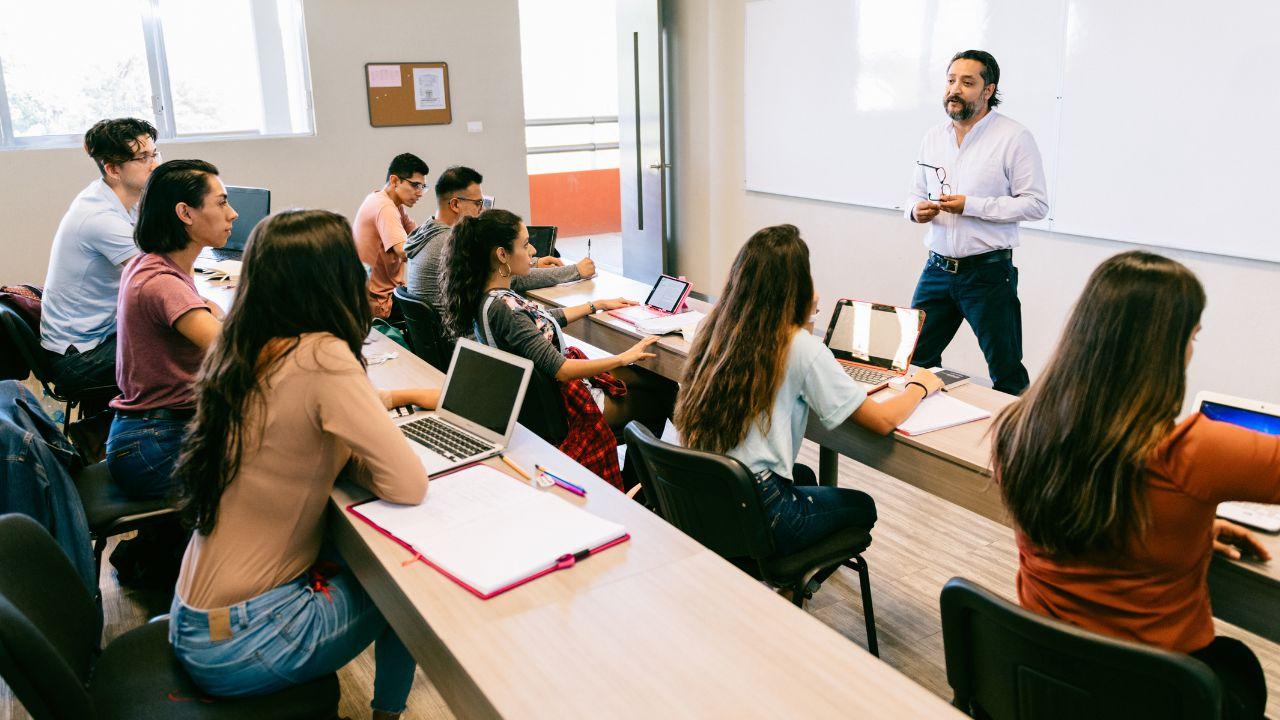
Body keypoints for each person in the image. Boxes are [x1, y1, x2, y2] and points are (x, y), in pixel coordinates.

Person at [170, 209, 439, 720]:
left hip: (196, 617)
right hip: (246, 639)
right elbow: (407, 484)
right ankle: (388, 716)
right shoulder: (323, 355)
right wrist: (357, 459)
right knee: (407, 590)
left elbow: (300, 425)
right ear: (335, 278)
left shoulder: (242, 346)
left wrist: (347, 449)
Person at [994, 251, 1280, 719]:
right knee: (1237, 666)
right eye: (1190, 337)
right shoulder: (1195, 452)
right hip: (1154, 699)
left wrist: (1186, 528)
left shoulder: (1018, 429)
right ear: (1162, 350)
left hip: (1045, 682)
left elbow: (1095, 517)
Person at [674, 224, 942, 563]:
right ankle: (789, 589)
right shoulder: (797, 346)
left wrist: (806, 316)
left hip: (705, 492)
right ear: (796, 286)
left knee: (805, 477)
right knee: (862, 506)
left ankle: (785, 579)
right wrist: (920, 385)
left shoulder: (715, 328)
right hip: (760, 506)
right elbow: (883, 421)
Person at [440, 209, 673, 489]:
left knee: (654, 381)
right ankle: (639, 487)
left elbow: (540, 325)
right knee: (664, 394)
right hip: (566, 409)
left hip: (542, 404)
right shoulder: (506, 310)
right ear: (502, 255)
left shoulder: (489, 296)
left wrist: (595, 305)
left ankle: (637, 483)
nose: (533, 250)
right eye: (525, 245)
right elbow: (562, 370)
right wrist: (624, 356)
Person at [905, 50, 1048, 395]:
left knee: (1007, 372)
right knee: (912, 361)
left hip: (988, 275)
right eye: (951, 80)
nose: (955, 89)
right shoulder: (933, 137)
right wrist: (915, 210)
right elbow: (913, 194)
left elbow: (1036, 204)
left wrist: (972, 206)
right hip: (937, 271)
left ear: (988, 90)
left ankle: (1014, 447)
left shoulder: (1014, 137)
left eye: (967, 83)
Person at [106, 159, 233, 500]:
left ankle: (154, 550)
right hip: (155, 445)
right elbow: (236, 353)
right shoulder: (163, 283)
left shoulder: (151, 264)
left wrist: (211, 311)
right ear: (185, 213)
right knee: (289, 466)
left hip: (144, 434)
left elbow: (208, 312)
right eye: (221, 203)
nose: (232, 214)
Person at [39, 118, 161, 398]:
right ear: (113, 169)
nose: (154, 164)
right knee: (185, 353)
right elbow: (155, 279)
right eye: (143, 157)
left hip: (102, 335)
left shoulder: (125, 200)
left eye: (154, 153)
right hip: (79, 359)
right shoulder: (100, 217)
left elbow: (158, 253)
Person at [405, 165, 594, 313]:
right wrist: (575, 271)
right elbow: (510, 278)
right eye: (478, 203)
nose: (482, 210)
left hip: (444, 341)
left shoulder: (426, 231)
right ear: (455, 204)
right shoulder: (450, 243)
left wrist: (533, 262)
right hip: (463, 342)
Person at [354, 153, 429, 319]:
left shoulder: (387, 201)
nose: (420, 193)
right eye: (415, 185)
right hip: (380, 304)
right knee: (439, 310)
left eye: (422, 187)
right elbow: (405, 250)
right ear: (395, 181)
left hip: (376, 295)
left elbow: (418, 234)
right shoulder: (385, 207)